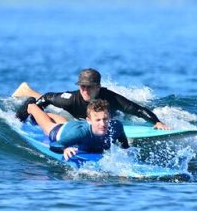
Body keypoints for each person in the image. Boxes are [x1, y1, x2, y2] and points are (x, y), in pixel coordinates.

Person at [12, 68, 170, 130]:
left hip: (101, 119)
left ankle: (28, 90)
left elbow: (137, 109)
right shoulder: (70, 99)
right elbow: (46, 98)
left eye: (89, 86)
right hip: (78, 117)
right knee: (58, 115)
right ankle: (27, 91)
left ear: (98, 87)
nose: (85, 90)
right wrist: (25, 118)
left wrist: (156, 122)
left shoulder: (111, 98)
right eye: (82, 86)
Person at [17, 98, 129, 161]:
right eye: (98, 120)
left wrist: (126, 152)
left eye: (105, 119)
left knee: (65, 123)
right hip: (61, 132)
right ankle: (32, 107)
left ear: (110, 117)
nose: (103, 123)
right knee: (49, 126)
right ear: (89, 120)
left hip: (74, 126)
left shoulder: (116, 126)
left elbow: (123, 141)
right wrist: (64, 149)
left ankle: (47, 113)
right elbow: (55, 145)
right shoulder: (80, 133)